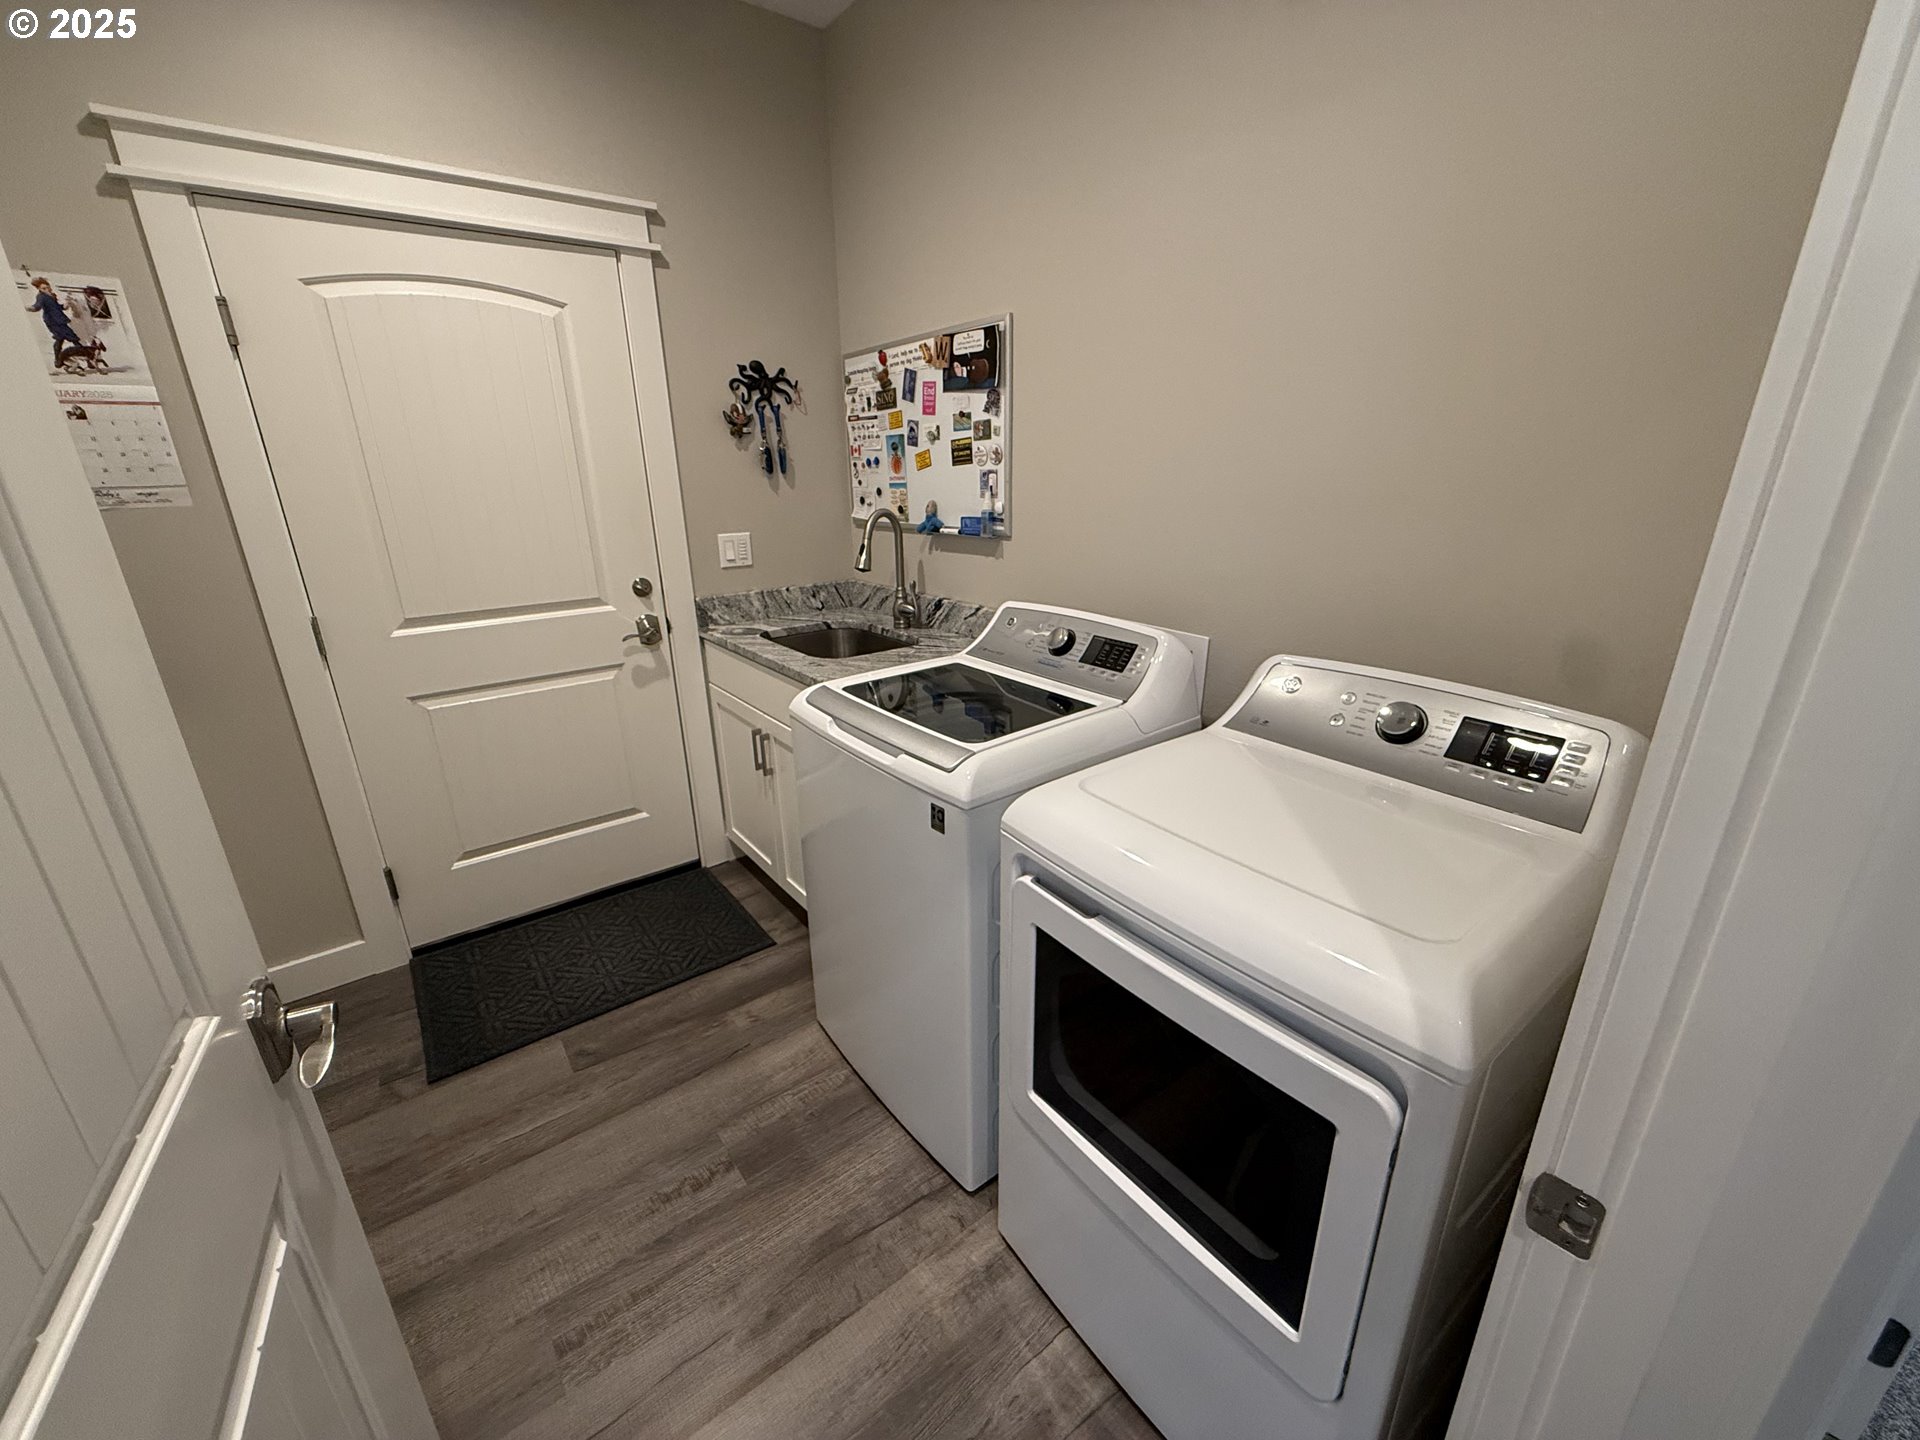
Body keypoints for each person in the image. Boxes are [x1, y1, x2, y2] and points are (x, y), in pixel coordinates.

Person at [24, 278, 94, 369]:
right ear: (40, 289)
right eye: (44, 288)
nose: (47, 289)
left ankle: (60, 361)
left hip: (60, 320)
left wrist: (67, 302)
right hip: (53, 321)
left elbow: (60, 307)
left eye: (47, 287)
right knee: (72, 338)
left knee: (61, 339)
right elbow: (37, 307)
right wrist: (28, 308)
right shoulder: (41, 297)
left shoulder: (52, 296)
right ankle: (87, 357)